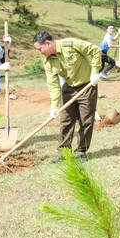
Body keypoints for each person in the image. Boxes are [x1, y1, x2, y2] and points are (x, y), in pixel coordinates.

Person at [32, 31, 102, 162]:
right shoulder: (48, 62)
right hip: (68, 88)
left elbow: (95, 50)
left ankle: (81, 151)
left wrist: (95, 72)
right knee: (66, 120)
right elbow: (53, 85)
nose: (39, 52)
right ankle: (63, 152)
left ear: (47, 43)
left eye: (40, 49)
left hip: (87, 85)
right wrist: (53, 107)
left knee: (86, 120)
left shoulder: (71, 44)